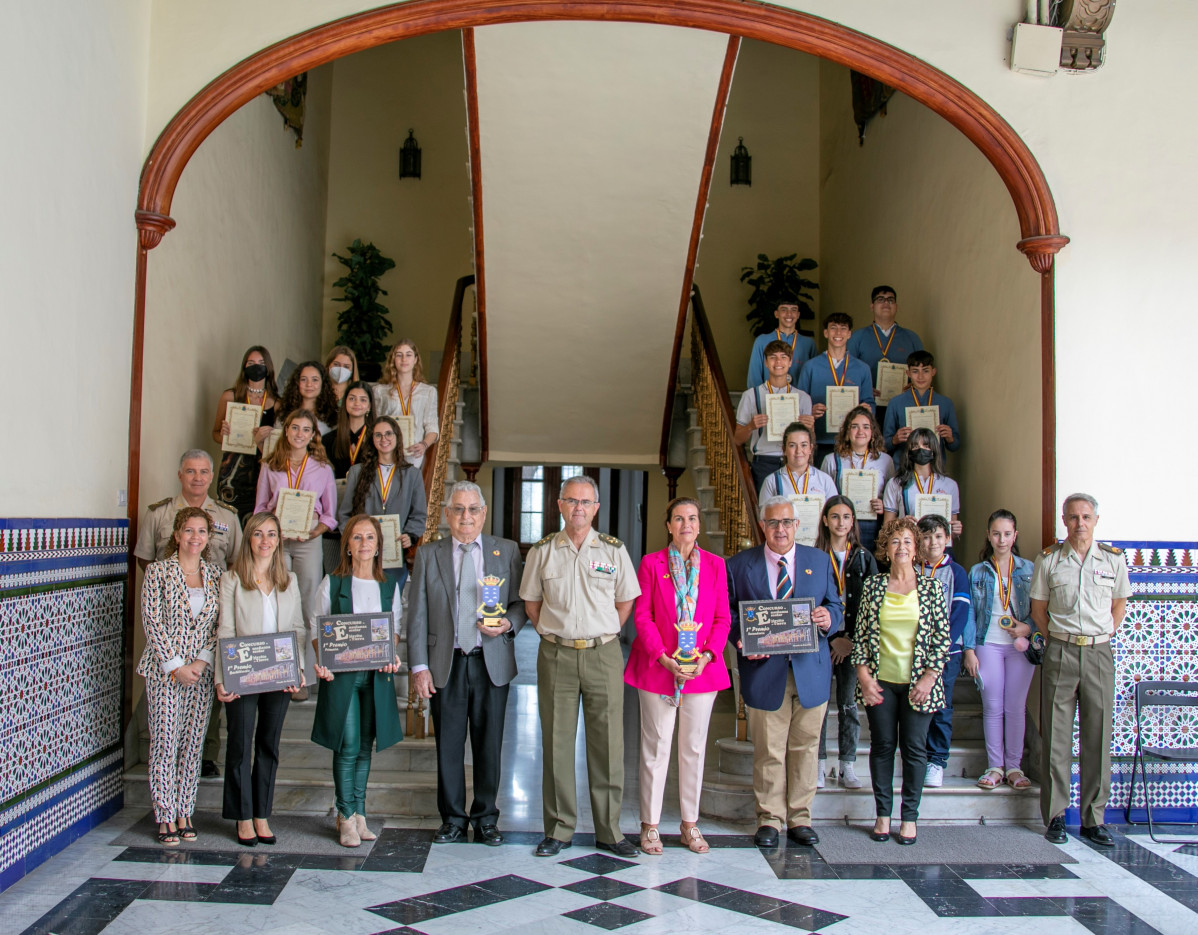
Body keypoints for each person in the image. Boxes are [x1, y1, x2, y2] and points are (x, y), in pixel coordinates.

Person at [520, 475, 641, 858]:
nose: (578, 508)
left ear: (596, 508)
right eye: (571, 501)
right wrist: (554, 635)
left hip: (603, 654)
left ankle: (609, 830)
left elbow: (625, 602)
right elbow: (532, 604)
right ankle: (559, 829)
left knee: (608, 745)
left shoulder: (613, 551)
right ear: (559, 505)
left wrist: (601, 635)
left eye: (586, 502)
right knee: (556, 743)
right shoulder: (542, 551)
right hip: (556, 654)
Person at [408, 482, 525, 846]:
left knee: (489, 745)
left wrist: (509, 624)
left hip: (491, 662)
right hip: (448, 662)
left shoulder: (504, 551)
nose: (466, 517)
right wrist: (418, 667)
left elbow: (522, 603)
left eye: (473, 509)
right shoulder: (429, 554)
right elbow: (417, 615)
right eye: (458, 509)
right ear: (447, 514)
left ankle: (486, 818)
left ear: (483, 513)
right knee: (449, 744)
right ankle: (453, 819)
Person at [727, 495, 843, 848]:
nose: (781, 529)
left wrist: (829, 619)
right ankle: (769, 819)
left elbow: (836, 606)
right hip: (764, 671)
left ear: (797, 525)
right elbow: (730, 615)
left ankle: (800, 818)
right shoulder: (739, 565)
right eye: (773, 522)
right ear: (763, 525)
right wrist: (740, 638)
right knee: (769, 750)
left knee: (806, 748)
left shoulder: (819, 561)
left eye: (787, 522)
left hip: (811, 671)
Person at [625, 497, 731, 855]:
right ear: (668, 525)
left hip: (701, 670)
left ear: (699, 525)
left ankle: (690, 824)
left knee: (694, 748)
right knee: (656, 748)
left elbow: (722, 619)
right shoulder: (651, 564)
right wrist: (663, 657)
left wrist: (708, 655)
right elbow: (643, 617)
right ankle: (650, 825)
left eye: (692, 518)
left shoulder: (716, 566)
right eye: (678, 519)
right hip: (659, 669)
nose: (686, 524)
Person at [135, 448, 242, 778]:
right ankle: (168, 802)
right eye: (190, 471)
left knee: (204, 704)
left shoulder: (227, 516)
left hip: (210, 622)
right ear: (180, 475)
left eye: (204, 472)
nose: (197, 477)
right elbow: (144, 559)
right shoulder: (159, 514)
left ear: (212, 476)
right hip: (169, 625)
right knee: (166, 736)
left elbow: (236, 564)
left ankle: (206, 754)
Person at [1031, 493, 1130, 847]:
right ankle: (1056, 816)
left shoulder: (1114, 561)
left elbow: (1119, 604)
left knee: (1097, 735)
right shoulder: (1050, 560)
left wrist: (1104, 633)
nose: (1079, 523)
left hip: (1100, 653)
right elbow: (1039, 609)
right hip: (1060, 651)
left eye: (1086, 517)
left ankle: (1093, 819)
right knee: (1056, 737)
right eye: (1073, 517)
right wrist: (1058, 638)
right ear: (1064, 520)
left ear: (1096, 520)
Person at [852, 516, 950, 845]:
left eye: (908, 541)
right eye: (895, 542)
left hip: (919, 686)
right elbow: (861, 636)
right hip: (880, 683)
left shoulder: (931, 587)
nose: (902, 547)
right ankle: (882, 815)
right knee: (881, 748)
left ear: (917, 547)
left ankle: (909, 818)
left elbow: (941, 639)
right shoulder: (873, 586)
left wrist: (929, 678)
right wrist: (864, 677)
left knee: (914, 750)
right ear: (886, 548)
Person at [310, 514, 403, 847]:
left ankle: (360, 814)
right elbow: (316, 629)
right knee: (347, 744)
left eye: (370, 538)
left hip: (375, 678)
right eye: (357, 538)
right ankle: (345, 815)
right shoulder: (332, 583)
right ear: (347, 545)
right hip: (343, 678)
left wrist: (391, 655)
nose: (364, 544)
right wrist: (325, 662)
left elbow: (393, 631)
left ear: (379, 545)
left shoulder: (389, 585)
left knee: (365, 746)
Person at [214, 512, 305, 846]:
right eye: (257, 534)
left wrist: (298, 671)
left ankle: (262, 814)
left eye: (271, 534)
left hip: (279, 676)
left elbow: (297, 628)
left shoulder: (289, 579)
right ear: (248, 539)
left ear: (279, 539)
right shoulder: (232, 579)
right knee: (240, 744)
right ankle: (242, 815)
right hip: (243, 675)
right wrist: (222, 678)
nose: (265, 541)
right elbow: (225, 630)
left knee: (269, 744)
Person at [137, 507, 222, 846]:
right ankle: (165, 814)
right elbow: (151, 621)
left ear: (208, 537)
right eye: (188, 530)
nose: (195, 537)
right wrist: (175, 666)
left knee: (192, 744)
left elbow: (220, 624)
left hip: (201, 672)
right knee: (165, 742)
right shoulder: (158, 572)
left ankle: (186, 811)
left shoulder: (216, 575)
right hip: (165, 672)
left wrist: (200, 663)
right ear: (176, 535)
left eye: (201, 531)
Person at [254, 409, 339, 698]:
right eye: (294, 428)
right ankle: (278, 673)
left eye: (306, 429)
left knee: (306, 605)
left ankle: (303, 676)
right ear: (285, 431)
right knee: (277, 605)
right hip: (274, 543)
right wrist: (268, 533)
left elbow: (330, 514)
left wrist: (315, 531)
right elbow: (260, 507)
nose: (299, 434)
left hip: (308, 542)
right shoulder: (270, 465)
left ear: (313, 435)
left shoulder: (323, 469)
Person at [969, 509, 1036, 792]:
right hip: (989, 644)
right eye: (996, 533)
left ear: (1015, 536)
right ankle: (995, 767)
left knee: (1016, 708)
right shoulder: (978, 571)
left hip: (1019, 646)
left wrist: (1028, 628)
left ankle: (1014, 767)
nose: (1002, 539)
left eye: (1007, 534)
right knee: (993, 707)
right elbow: (970, 613)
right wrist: (969, 650)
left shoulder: (1029, 570)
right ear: (989, 535)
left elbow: (1041, 610)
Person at [814, 496, 877, 790]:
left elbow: (873, 606)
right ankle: (818, 764)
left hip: (853, 644)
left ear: (854, 522)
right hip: (821, 643)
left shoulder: (864, 558)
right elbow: (807, 604)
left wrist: (849, 639)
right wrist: (832, 639)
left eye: (847, 517)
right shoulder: (813, 557)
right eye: (835, 516)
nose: (841, 522)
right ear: (825, 520)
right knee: (819, 705)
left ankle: (847, 765)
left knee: (850, 705)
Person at [918, 514, 975, 789]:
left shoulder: (956, 572)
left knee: (941, 705)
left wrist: (941, 646)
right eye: (926, 536)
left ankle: (937, 760)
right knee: (916, 704)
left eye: (938, 536)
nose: (932, 542)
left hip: (946, 653)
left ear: (947, 540)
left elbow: (960, 612)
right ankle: (917, 756)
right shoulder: (911, 568)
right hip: (914, 651)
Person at [339, 416, 427, 592]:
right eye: (378, 435)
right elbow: (344, 514)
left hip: (393, 554)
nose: (384, 439)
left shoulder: (412, 475)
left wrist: (410, 535)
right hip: (362, 553)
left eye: (388, 434)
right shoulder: (358, 472)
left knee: (390, 607)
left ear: (397, 437)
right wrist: (352, 538)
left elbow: (419, 515)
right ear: (372, 440)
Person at [735, 340, 814, 492]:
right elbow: (737, 439)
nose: (778, 362)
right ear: (765, 362)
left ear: (790, 362)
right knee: (765, 511)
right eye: (773, 357)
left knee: (793, 511)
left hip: (795, 461)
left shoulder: (803, 397)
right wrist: (751, 426)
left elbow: (810, 441)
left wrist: (810, 427)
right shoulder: (751, 396)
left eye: (783, 357)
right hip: (764, 462)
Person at [212, 346, 280, 522]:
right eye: (251, 363)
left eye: (260, 363)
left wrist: (270, 435)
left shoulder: (277, 403)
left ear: (269, 368)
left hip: (261, 470)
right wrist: (224, 434)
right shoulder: (230, 396)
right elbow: (215, 434)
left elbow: (280, 443)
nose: (256, 367)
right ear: (244, 367)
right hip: (233, 471)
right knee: (229, 521)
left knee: (256, 522)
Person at [797, 312, 875, 458]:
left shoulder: (862, 368)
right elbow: (799, 405)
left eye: (843, 328)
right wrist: (810, 411)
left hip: (851, 442)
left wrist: (867, 410)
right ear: (826, 333)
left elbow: (870, 403)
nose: (838, 333)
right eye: (833, 328)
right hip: (818, 441)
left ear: (849, 334)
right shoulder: (810, 367)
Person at [846, 285, 924, 431]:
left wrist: (914, 385)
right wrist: (865, 389)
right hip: (868, 406)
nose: (886, 303)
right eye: (880, 299)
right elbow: (847, 373)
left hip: (903, 405)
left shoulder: (911, 338)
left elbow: (923, 370)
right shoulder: (857, 337)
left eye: (890, 300)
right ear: (872, 306)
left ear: (896, 306)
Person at [820, 405, 893, 554]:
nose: (860, 431)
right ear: (847, 433)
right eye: (854, 427)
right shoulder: (831, 460)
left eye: (866, 427)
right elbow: (823, 497)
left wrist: (883, 505)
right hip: (841, 526)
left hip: (872, 524)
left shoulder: (886, 461)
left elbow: (892, 496)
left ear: (872, 433)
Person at [882, 427, 962, 539]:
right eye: (915, 446)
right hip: (908, 545)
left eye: (926, 445)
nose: (921, 450)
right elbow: (886, 527)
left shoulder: (950, 485)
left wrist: (955, 530)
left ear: (934, 450)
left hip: (937, 548)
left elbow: (951, 531)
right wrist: (900, 524)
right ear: (909, 452)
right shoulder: (895, 483)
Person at [372, 339, 439, 471]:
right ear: (393, 360)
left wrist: (424, 445)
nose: (404, 359)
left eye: (408, 354)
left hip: (413, 455)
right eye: (399, 355)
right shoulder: (380, 391)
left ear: (415, 360)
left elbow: (432, 427)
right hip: (386, 452)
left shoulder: (428, 392)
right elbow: (375, 423)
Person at [882, 350, 960, 455]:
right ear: (908, 373)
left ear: (933, 372)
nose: (920, 376)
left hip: (934, 466)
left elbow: (955, 446)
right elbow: (884, 445)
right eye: (915, 371)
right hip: (904, 466)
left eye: (925, 371)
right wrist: (895, 439)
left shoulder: (945, 403)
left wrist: (950, 438)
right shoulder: (895, 403)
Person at [759, 422, 838, 508]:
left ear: (810, 449)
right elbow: (764, 517)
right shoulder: (771, 481)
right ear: (784, 449)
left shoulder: (825, 480)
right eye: (792, 445)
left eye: (803, 445)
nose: (798, 451)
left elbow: (834, 512)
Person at [746, 300, 816, 388]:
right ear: (776, 314)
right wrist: (758, 399)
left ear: (798, 315)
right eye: (784, 309)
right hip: (769, 398)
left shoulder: (809, 343)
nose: (789, 314)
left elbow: (813, 376)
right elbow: (754, 376)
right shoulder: (761, 341)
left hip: (799, 399)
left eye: (793, 310)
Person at [323, 381, 374, 480]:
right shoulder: (327, 441)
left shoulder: (377, 439)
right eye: (352, 398)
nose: (357, 403)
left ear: (369, 406)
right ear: (345, 402)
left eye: (363, 400)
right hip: (336, 494)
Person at [279, 360, 338, 437]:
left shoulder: (333, 416)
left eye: (315, 380)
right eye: (303, 379)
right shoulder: (285, 412)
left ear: (323, 383)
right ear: (297, 383)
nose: (309, 384)